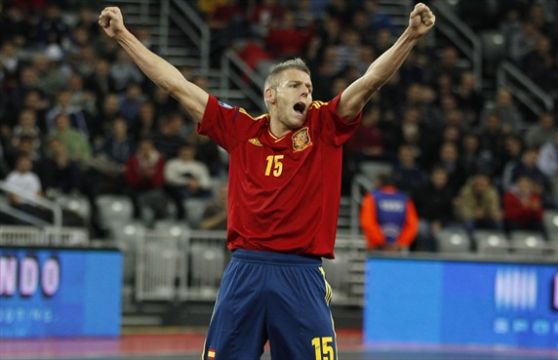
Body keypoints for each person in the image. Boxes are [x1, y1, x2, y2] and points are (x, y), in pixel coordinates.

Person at [99, 4, 435, 359]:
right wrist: (123, 35)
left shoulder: (324, 125)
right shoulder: (242, 130)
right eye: (295, 86)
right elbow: (176, 85)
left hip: (301, 274)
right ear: (270, 96)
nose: (306, 94)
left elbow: (369, 82)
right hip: (245, 270)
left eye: (308, 88)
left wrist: (409, 36)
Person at [360, 173, 418, 251]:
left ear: (379, 182)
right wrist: (400, 243)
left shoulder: (371, 197)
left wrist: (381, 242)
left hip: (376, 248)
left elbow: (367, 222)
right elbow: (412, 225)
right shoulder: (405, 199)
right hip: (398, 250)